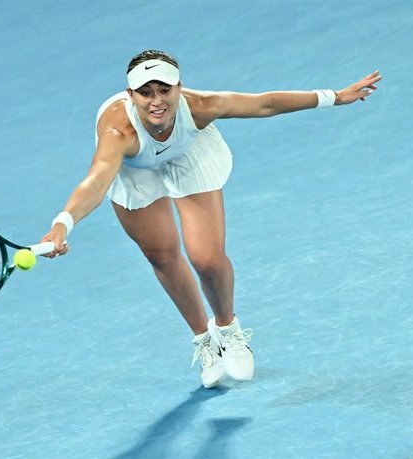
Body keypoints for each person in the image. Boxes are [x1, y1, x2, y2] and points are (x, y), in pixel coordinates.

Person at [41, 50, 382, 388]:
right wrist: (63, 224)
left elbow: (266, 104)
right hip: (134, 169)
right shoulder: (119, 134)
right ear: (130, 95)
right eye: (145, 93)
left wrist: (334, 97)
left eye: (164, 90)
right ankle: (204, 339)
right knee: (161, 254)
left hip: (188, 152)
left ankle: (229, 330)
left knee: (207, 259)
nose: (156, 101)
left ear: (180, 88)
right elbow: (98, 179)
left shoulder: (201, 106)